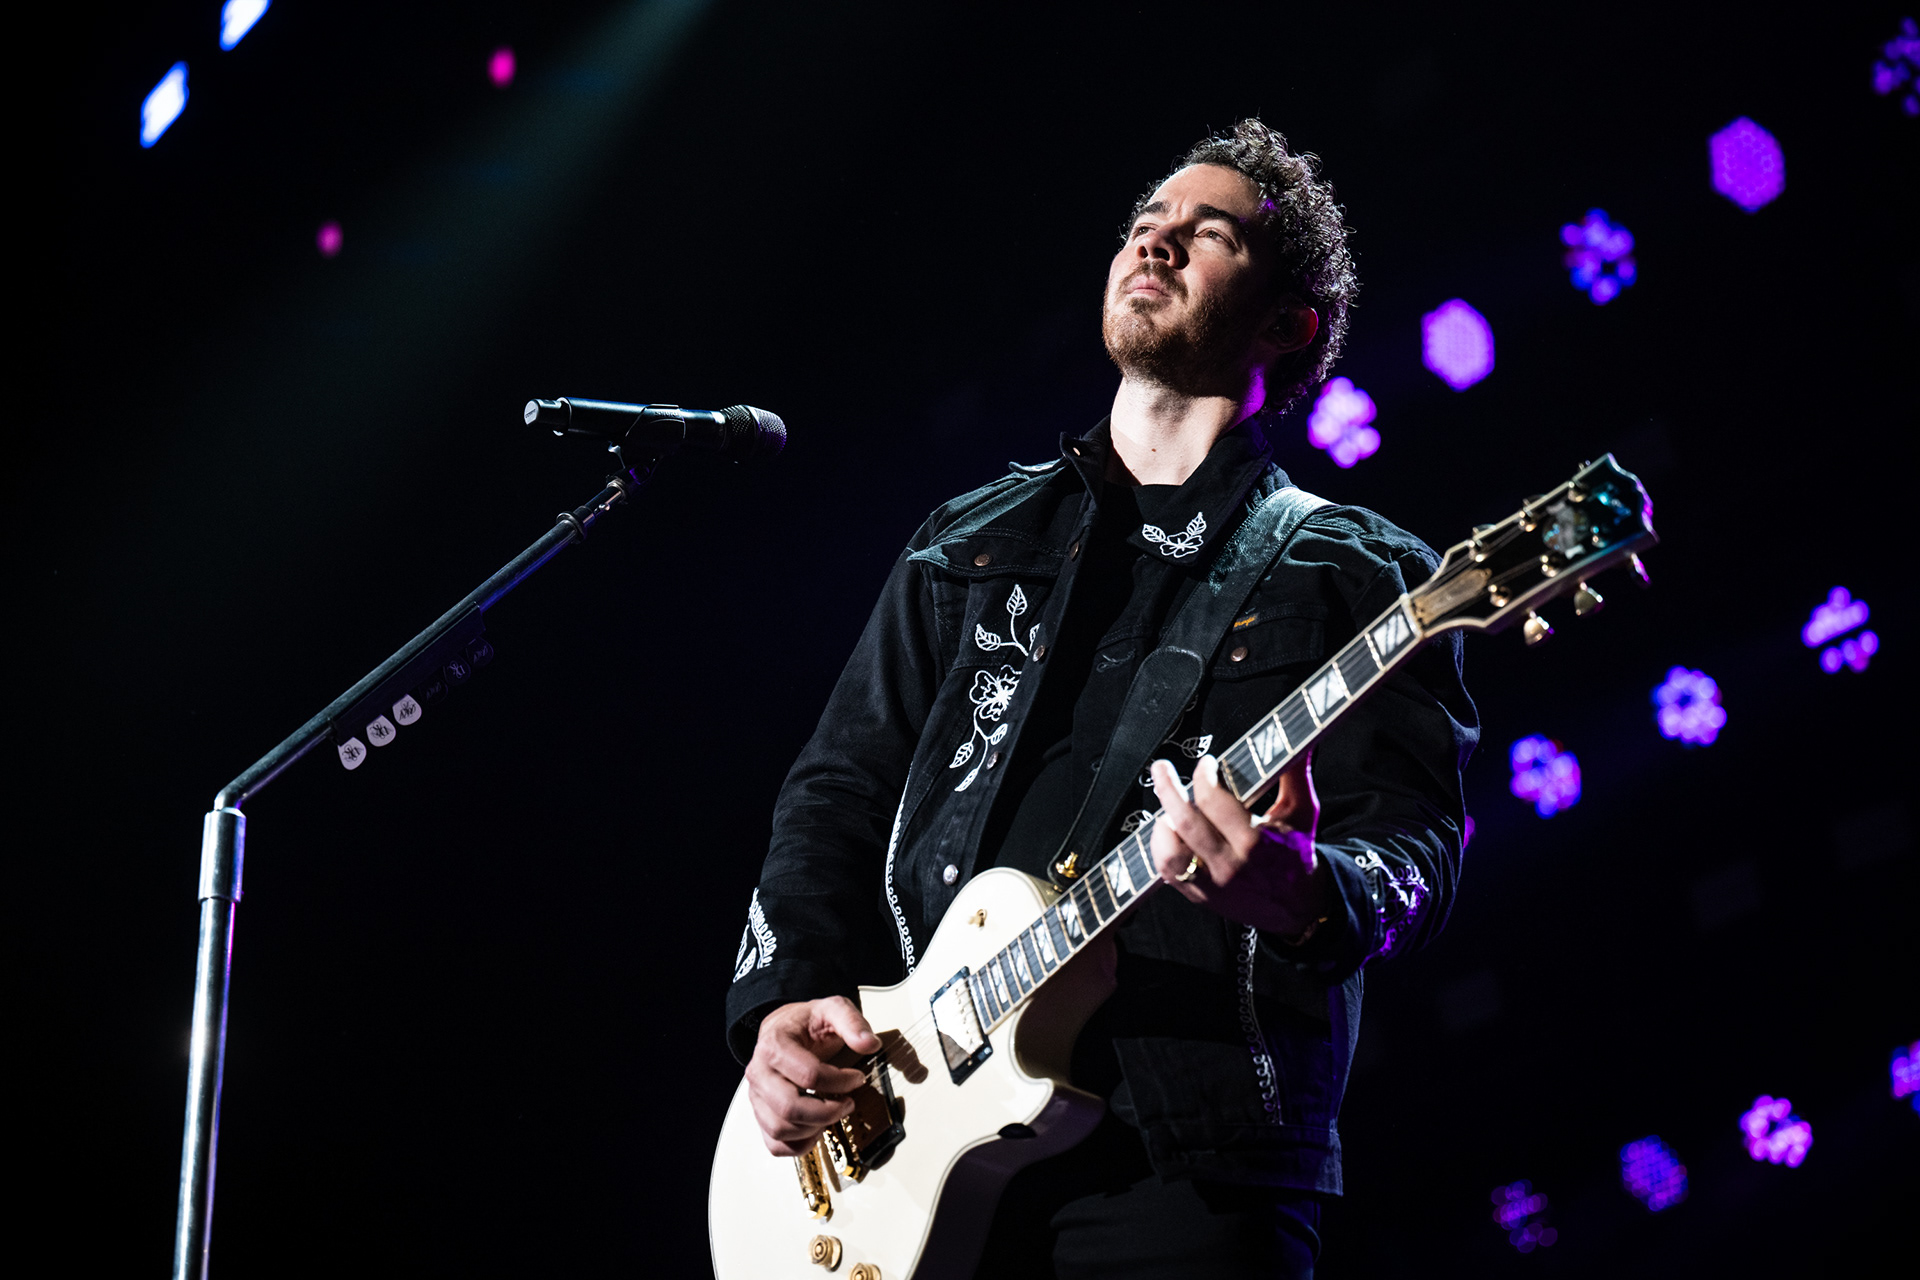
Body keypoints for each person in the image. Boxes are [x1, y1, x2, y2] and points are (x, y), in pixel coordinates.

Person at [723, 119, 1478, 1279]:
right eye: (1145, 223)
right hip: (912, 1124)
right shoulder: (968, 542)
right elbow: (836, 793)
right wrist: (786, 999)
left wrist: (1302, 891)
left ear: (1289, 323)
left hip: (1191, 1155)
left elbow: (1416, 853)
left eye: (1209, 234)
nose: (1155, 244)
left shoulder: (1359, 575)